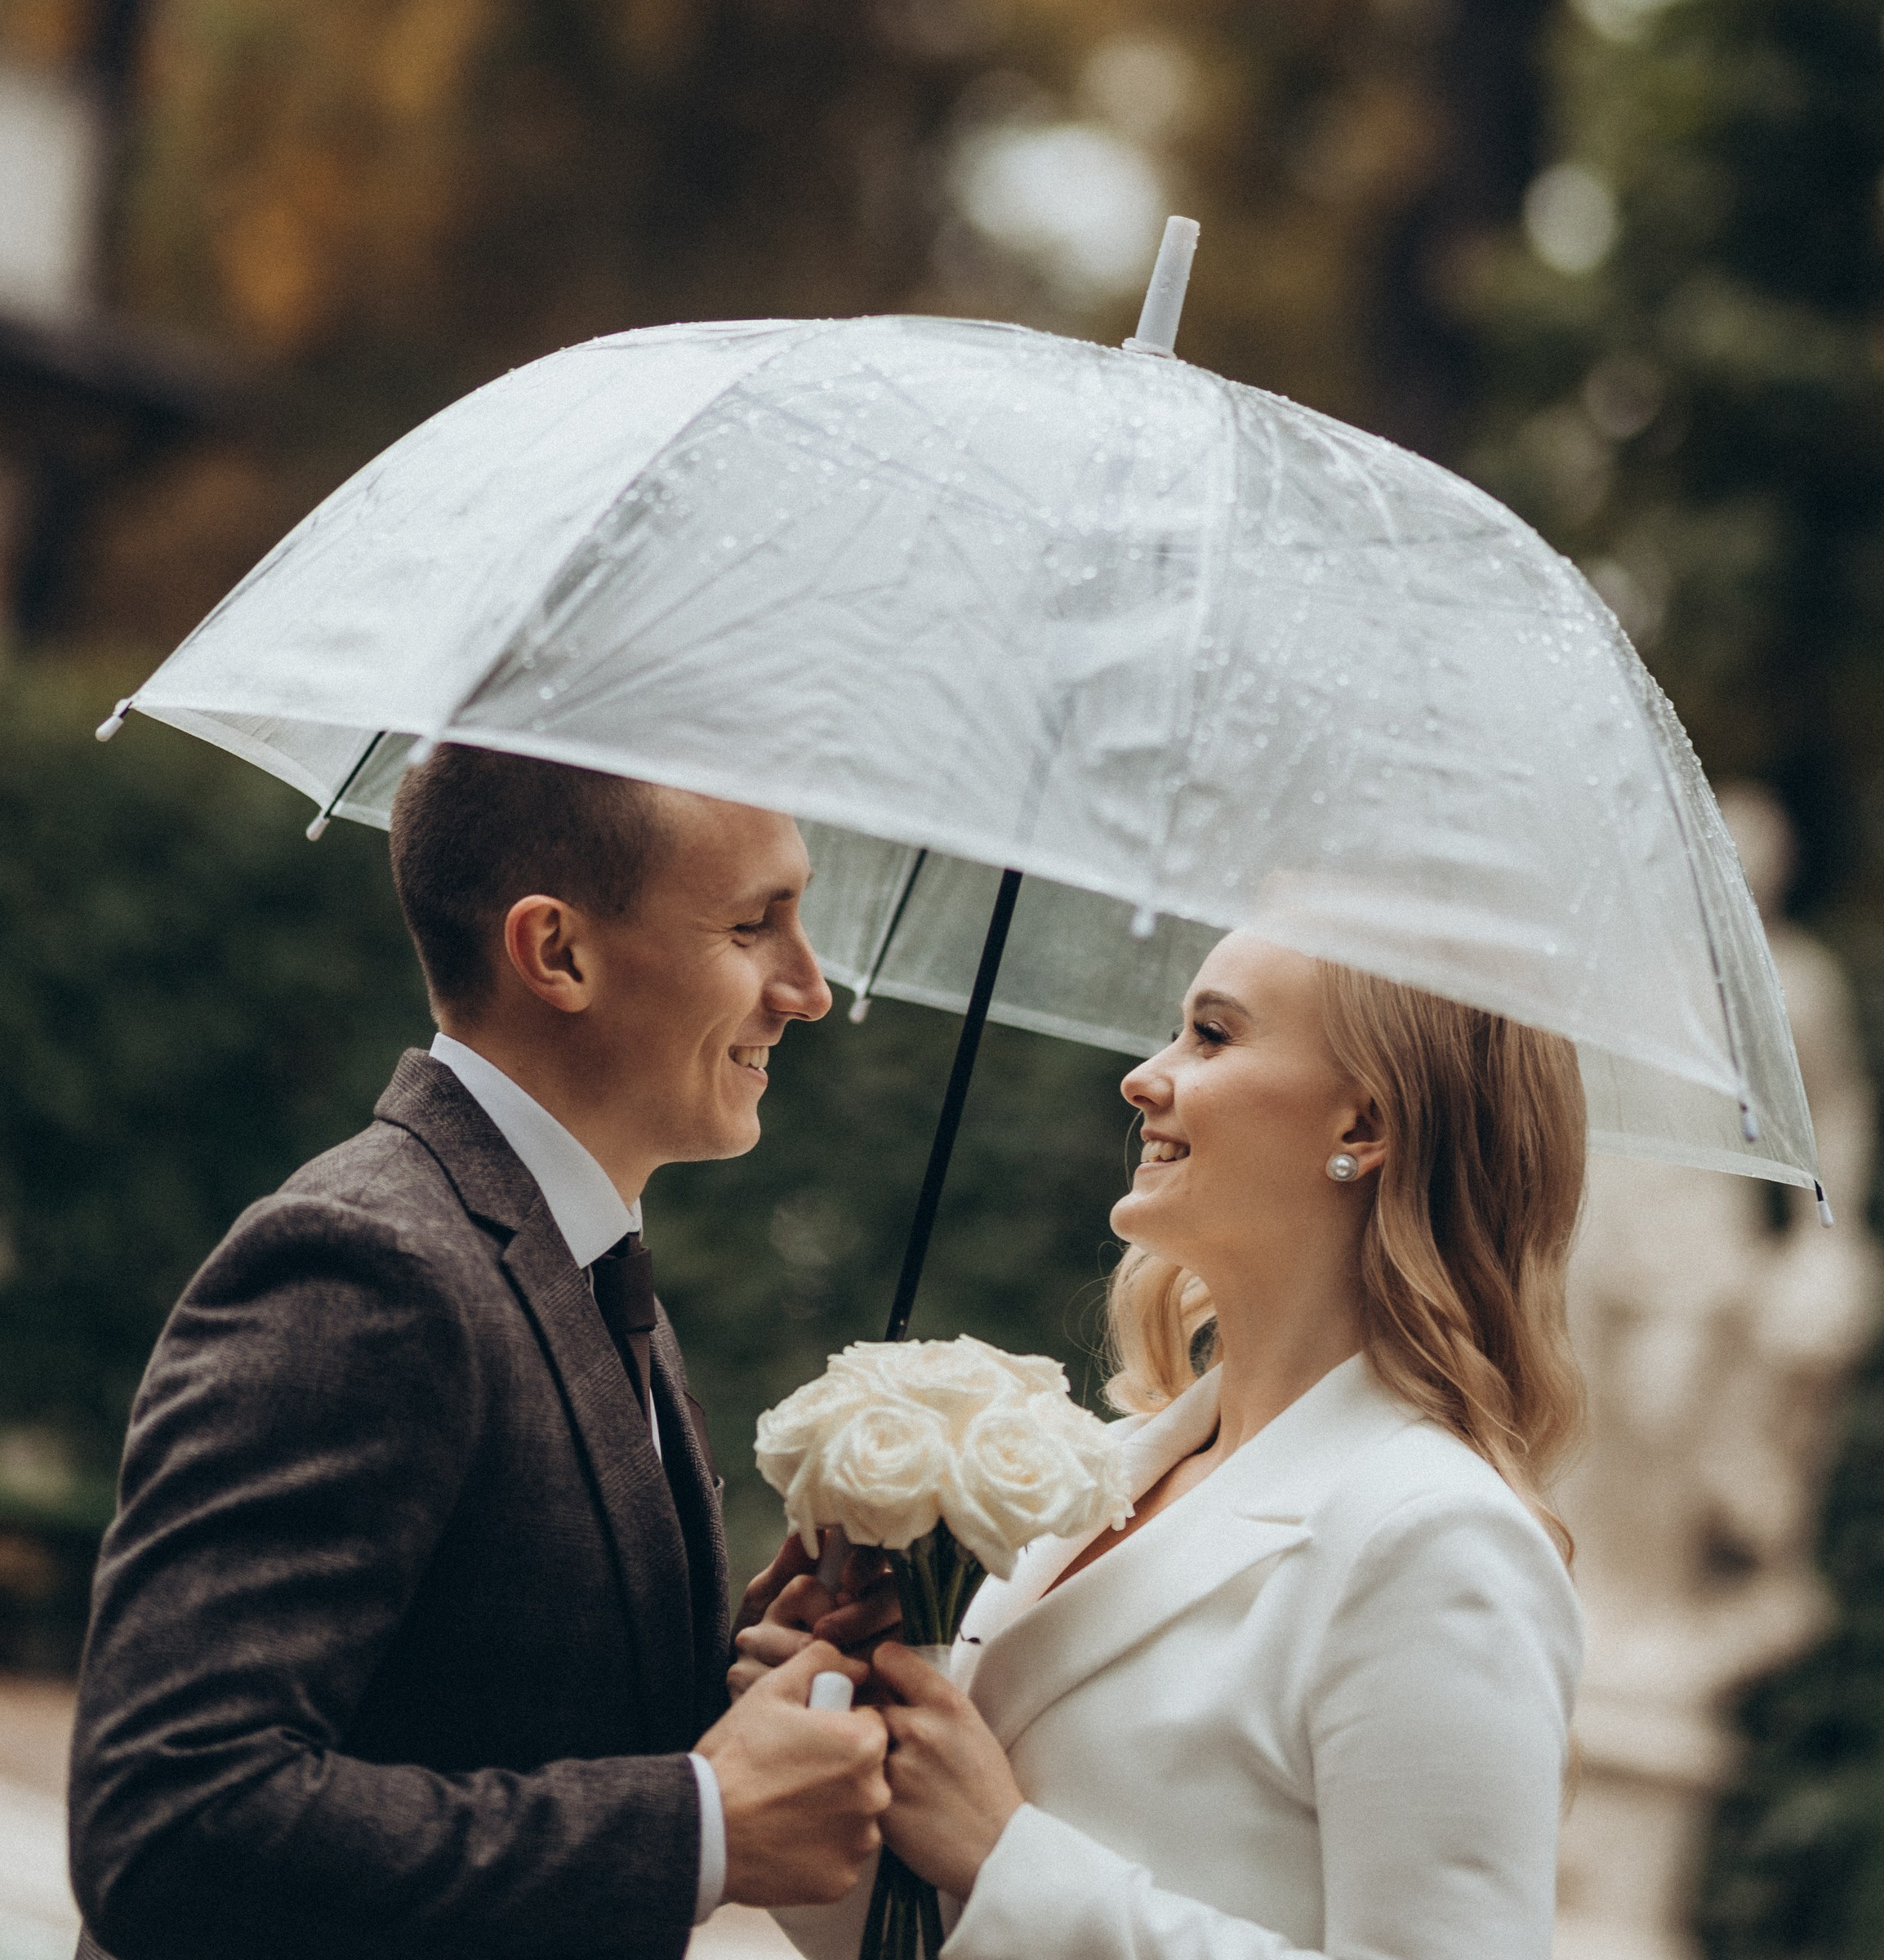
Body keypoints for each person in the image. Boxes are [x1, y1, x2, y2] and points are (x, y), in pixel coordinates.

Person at [67, 743, 889, 1960]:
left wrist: (734, 1673)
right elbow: (173, 1817)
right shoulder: (367, 1266)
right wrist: (701, 1826)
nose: (809, 987)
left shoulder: (588, 1262)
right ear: (557, 952)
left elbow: (485, 1698)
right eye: (753, 926)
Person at [748, 932, 1588, 1960]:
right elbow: (933, 1931)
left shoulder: (1431, 1537)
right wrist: (837, 1731)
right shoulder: (1124, 1467)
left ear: (1363, 1122)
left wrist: (1006, 1856)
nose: (1144, 1077)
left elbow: (996, 1873)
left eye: (1211, 1035)